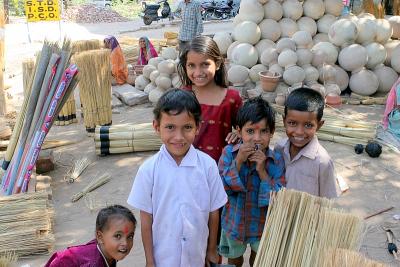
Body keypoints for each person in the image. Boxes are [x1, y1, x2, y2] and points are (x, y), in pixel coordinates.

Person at [127, 89, 227, 266]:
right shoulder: (148, 170)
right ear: (157, 127)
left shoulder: (208, 166)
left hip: (196, 255)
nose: (178, 137)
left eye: (187, 127)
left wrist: (211, 250)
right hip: (164, 258)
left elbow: (214, 213)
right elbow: (146, 220)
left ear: (198, 127)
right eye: (170, 127)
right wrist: (150, 260)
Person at [218, 97, 286, 267]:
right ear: (239, 131)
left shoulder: (276, 159)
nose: (257, 138)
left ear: (272, 132)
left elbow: (279, 197)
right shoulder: (229, 153)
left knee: (259, 259)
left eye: (263, 131)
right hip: (234, 222)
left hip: (261, 225)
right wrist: (239, 161)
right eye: (250, 131)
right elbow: (221, 190)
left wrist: (262, 171)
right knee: (234, 259)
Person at [177, 36, 243, 162]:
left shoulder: (231, 98)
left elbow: (245, 127)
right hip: (188, 167)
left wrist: (238, 134)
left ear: (217, 64)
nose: (198, 72)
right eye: (191, 65)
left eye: (205, 64)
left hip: (220, 168)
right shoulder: (181, 96)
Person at [274, 87, 339, 198]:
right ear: (284, 121)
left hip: (308, 215)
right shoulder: (279, 148)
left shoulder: (322, 162)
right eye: (292, 123)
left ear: (319, 125)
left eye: (308, 125)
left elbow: (328, 201)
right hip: (279, 212)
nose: (299, 132)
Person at [45, 205, 136, 267]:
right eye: (118, 236)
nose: (125, 243)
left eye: (130, 236)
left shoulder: (107, 249)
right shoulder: (92, 263)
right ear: (100, 237)